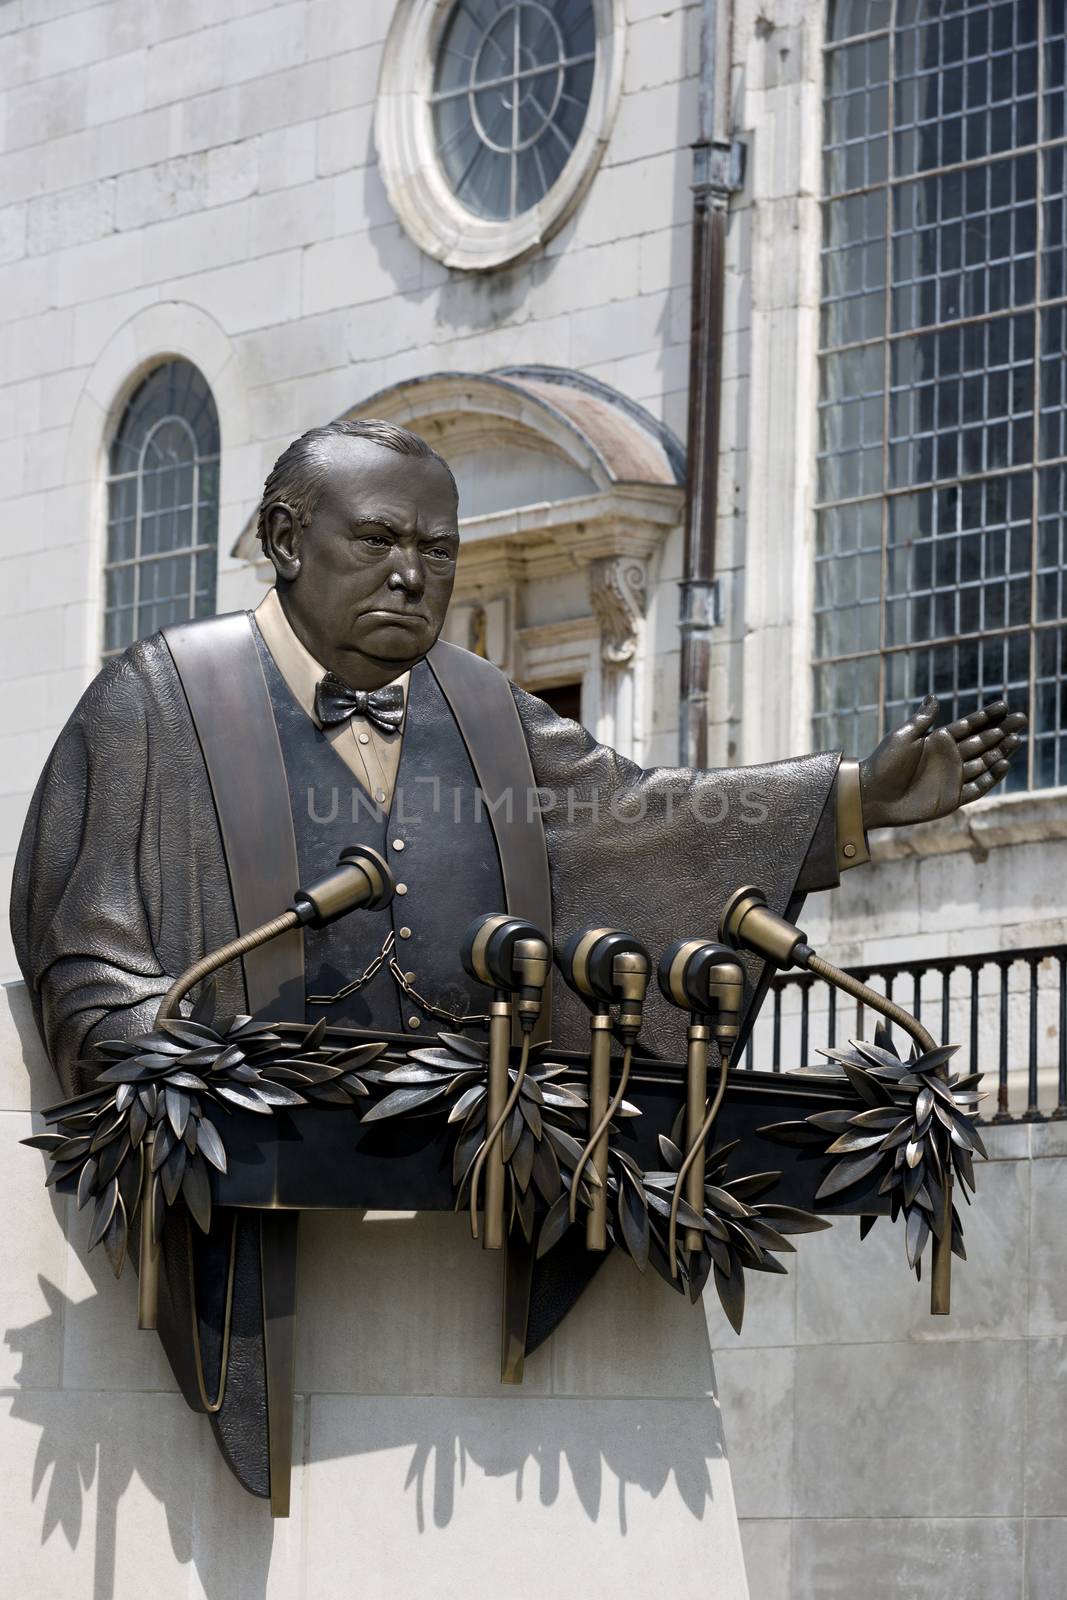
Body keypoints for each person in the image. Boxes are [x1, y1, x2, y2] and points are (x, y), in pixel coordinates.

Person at [10, 419, 1026, 1500]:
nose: (412, 572)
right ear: (286, 539)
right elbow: (91, 949)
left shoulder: (483, 708)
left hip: (478, 1164)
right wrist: (159, 1088)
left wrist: (849, 800)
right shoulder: (158, 701)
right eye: (379, 540)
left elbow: (634, 817)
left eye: (439, 550)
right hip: (255, 1172)